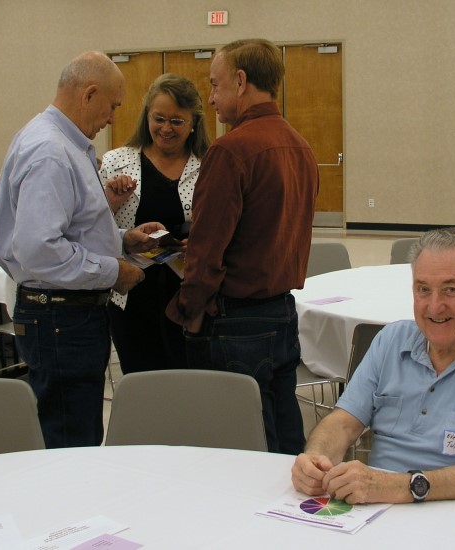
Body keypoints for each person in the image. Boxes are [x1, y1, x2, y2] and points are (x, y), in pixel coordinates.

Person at [0, 51, 164, 449]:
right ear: (89, 95)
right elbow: (40, 250)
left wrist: (122, 239)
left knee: (75, 430)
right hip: (60, 317)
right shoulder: (50, 152)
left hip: (63, 315)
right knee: (70, 440)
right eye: (113, 106)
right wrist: (114, 271)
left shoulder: (60, 142)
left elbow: (67, 228)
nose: (113, 119)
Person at [291, 228, 455, 506]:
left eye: (451, 290)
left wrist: (401, 487)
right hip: (383, 510)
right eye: (423, 290)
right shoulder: (391, 342)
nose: (434, 307)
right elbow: (343, 422)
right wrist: (316, 458)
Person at [166, 39, 319, 455]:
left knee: (240, 449)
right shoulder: (301, 146)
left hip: (234, 324)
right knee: (286, 438)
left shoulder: (230, 151)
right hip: (282, 313)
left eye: (215, 86)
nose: (211, 99)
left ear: (240, 80)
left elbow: (206, 253)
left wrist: (187, 311)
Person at [99, 74, 209, 374]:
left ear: (193, 123)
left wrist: (200, 242)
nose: (166, 128)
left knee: (186, 381)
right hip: (131, 295)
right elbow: (89, 227)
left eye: (177, 121)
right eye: (158, 118)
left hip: (187, 294)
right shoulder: (115, 163)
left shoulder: (208, 166)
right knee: (140, 381)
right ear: (146, 116)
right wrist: (110, 200)